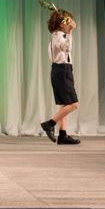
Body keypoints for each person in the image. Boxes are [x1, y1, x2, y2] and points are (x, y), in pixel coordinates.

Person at [40, 8, 81, 145]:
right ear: (61, 24)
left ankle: (62, 135)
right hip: (62, 70)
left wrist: (68, 30)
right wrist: (70, 32)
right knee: (74, 104)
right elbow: (67, 48)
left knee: (65, 104)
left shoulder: (56, 37)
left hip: (62, 70)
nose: (69, 23)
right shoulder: (58, 37)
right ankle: (49, 124)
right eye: (67, 21)